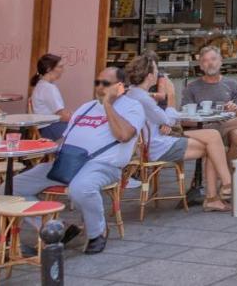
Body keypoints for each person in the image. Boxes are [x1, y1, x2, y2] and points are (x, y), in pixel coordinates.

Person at [11, 66, 143, 255]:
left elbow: (124, 135)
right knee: (11, 188)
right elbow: (65, 138)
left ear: (120, 86)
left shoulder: (132, 107)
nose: (99, 87)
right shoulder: (86, 106)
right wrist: (46, 146)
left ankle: (98, 232)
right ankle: (54, 229)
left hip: (103, 165)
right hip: (68, 162)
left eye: (105, 83)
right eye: (97, 82)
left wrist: (107, 104)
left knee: (80, 188)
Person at [124, 54, 232, 212]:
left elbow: (163, 120)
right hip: (158, 146)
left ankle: (219, 191)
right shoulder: (144, 99)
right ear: (149, 76)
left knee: (213, 136)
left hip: (151, 141)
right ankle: (220, 191)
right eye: (156, 71)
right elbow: (168, 120)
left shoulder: (132, 93)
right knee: (214, 146)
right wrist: (172, 97)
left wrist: (166, 117)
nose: (158, 74)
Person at [181, 46, 237, 165]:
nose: (210, 63)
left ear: (220, 61)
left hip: (226, 126)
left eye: (213, 59)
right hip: (204, 129)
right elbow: (184, 121)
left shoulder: (232, 84)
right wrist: (204, 118)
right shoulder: (192, 87)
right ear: (200, 65)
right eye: (205, 60)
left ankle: (228, 174)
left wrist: (234, 109)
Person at [29, 53, 71, 138]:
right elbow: (62, 117)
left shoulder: (41, 85)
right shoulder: (49, 88)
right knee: (82, 131)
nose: (63, 70)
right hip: (50, 129)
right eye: (60, 66)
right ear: (48, 69)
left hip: (45, 128)